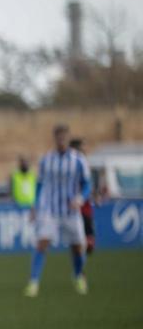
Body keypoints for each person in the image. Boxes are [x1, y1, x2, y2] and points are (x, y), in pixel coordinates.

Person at [25, 124, 90, 297]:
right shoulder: (46, 160)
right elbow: (39, 185)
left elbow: (87, 184)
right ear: (54, 139)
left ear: (68, 139)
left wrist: (80, 198)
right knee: (42, 243)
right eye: (58, 137)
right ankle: (33, 282)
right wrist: (35, 205)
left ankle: (78, 276)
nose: (61, 140)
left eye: (64, 137)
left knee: (77, 248)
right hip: (50, 210)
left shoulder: (78, 160)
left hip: (70, 211)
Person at [70, 138, 96, 254]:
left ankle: (80, 266)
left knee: (87, 240)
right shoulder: (70, 165)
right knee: (77, 242)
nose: (84, 150)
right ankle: (79, 268)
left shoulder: (84, 163)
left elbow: (89, 184)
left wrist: (93, 194)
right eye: (82, 147)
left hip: (85, 207)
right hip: (73, 209)